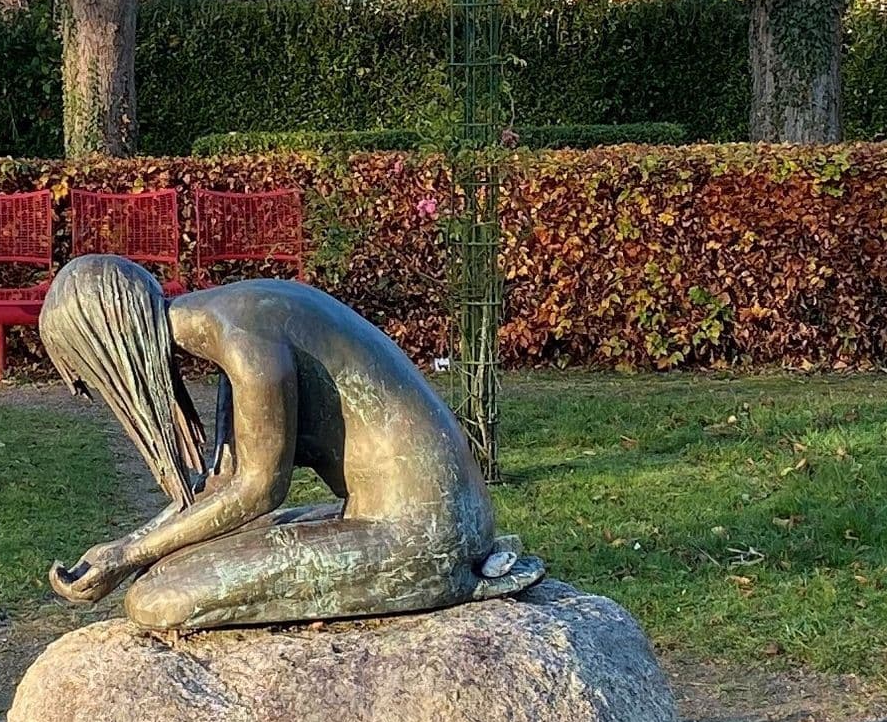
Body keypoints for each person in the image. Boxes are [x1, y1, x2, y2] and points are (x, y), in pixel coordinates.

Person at [35, 254, 542, 634]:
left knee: (157, 600)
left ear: (107, 348)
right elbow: (222, 486)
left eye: (90, 377)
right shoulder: (228, 314)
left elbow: (258, 491)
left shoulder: (241, 337)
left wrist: (128, 558)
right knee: (167, 570)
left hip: (425, 535)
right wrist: (127, 549)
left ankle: (441, 575)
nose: (95, 391)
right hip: (404, 515)